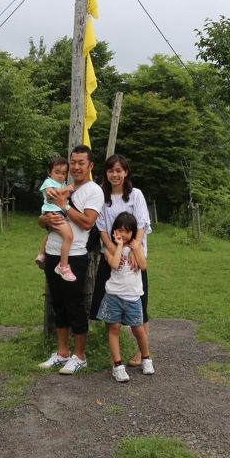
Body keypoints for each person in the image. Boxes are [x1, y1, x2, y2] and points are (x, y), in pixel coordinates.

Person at [38, 145, 103, 375]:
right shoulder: (58, 186)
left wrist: (63, 205)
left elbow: (87, 222)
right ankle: (62, 352)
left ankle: (80, 356)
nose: (75, 167)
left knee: (74, 305)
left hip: (74, 255)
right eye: (73, 162)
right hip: (54, 252)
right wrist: (44, 219)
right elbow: (43, 218)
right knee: (58, 304)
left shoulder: (93, 191)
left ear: (90, 166)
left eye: (81, 163)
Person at [89, 153, 151, 367]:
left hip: (135, 257)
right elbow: (102, 229)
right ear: (105, 173)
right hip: (112, 255)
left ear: (126, 172)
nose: (115, 174)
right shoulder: (101, 198)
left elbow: (141, 225)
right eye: (110, 170)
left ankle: (140, 352)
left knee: (140, 304)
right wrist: (114, 250)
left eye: (119, 170)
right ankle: (114, 354)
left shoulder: (136, 195)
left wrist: (133, 250)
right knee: (109, 304)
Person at [96, 211, 154, 382]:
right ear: (114, 231)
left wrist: (136, 248)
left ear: (133, 232)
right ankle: (117, 365)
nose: (123, 234)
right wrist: (120, 246)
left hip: (133, 297)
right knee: (113, 329)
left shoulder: (137, 247)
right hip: (113, 296)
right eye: (119, 230)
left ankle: (146, 358)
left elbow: (143, 266)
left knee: (138, 330)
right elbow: (114, 265)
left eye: (127, 231)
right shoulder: (109, 249)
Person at [35, 156, 76, 281]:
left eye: (63, 173)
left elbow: (66, 195)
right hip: (52, 212)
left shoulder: (61, 183)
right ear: (50, 172)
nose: (60, 176)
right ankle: (63, 266)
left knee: (51, 233)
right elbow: (50, 196)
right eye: (57, 172)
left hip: (59, 212)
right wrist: (67, 188)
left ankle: (41, 254)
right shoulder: (48, 182)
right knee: (68, 237)